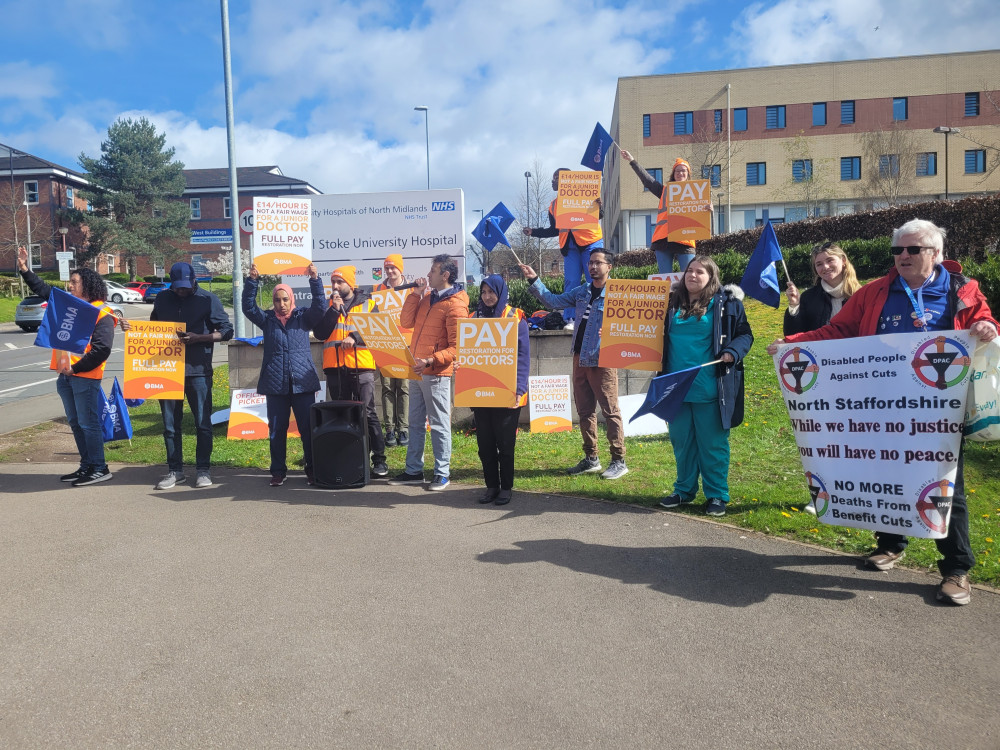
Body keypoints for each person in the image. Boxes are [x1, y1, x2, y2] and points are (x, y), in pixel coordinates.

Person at [768, 219, 998, 606]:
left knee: (946, 485)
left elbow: (982, 318)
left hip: (939, 409)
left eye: (913, 250)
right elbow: (839, 331)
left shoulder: (960, 288)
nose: (903, 256)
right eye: (898, 250)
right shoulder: (876, 291)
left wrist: (987, 326)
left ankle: (956, 569)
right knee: (885, 468)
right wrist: (792, 343)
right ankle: (892, 544)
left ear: (936, 254)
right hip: (883, 402)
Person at [517, 249, 628, 480]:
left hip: (603, 359)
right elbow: (553, 301)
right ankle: (591, 458)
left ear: (610, 267)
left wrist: (613, 333)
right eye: (591, 263)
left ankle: (619, 460)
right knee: (584, 411)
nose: (593, 266)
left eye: (599, 263)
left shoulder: (619, 294)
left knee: (610, 411)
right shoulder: (582, 291)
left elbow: (632, 326)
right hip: (579, 357)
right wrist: (534, 279)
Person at [657, 256, 754, 517]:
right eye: (690, 270)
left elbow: (745, 334)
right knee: (682, 443)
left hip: (710, 388)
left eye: (700, 272)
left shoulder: (727, 304)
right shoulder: (668, 302)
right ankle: (684, 490)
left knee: (712, 445)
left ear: (712, 277)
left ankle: (716, 495)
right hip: (674, 388)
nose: (693, 275)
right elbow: (645, 332)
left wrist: (733, 351)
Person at [16, 247, 117, 486]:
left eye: (74, 282)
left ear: (87, 285)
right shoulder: (69, 305)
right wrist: (24, 269)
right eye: (69, 281)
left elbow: (102, 350)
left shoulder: (102, 312)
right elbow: (43, 290)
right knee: (76, 423)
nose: (69, 285)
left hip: (84, 376)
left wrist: (77, 368)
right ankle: (87, 466)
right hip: (66, 376)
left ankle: (100, 468)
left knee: (88, 423)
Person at [783, 241, 861, 513]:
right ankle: (821, 494)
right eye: (819, 264)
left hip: (858, 379)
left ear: (843, 261)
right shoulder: (810, 297)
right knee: (822, 440)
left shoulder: (863, 295)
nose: (825, 267)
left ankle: (858, 492)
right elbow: (796, 335)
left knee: (855, 440)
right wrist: (794, 307)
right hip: (819, 380)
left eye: (830, 261)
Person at [388, 253, 469, 490]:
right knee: (414, 423)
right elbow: (405, 321)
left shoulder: (455, 305)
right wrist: (415, 294)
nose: (427, 275)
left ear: (445, 275)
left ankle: (442, 472)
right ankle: (414, 470)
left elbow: (458, 347)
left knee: (439, 423)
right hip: (417, 370)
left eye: (432, 271)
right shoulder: (426, 299)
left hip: (436, 373)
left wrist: (431, 360)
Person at [150, 262, 234, 490]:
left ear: (194, 280)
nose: (181, 291)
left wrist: (200, 338)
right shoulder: (162, 299)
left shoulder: (208, 300)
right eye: (177, 287)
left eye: (186, 287)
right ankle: (175, 471)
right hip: (167, 369)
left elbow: (227, 330)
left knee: (203, 423)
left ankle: (203, 470)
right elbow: (153, 328)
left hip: (198, 370)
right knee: (169, 425)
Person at [242, 263, 325, 486]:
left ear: (291, 299)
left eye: (285, 299)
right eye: (277, 300)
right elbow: (248, 308)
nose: (281, 304)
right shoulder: (267, 320)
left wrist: (315, 280)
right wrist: (252, 281)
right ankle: (278, 471)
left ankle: (312, 468)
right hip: (276, 385)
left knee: (307, 430)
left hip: (302, 385)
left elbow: (320, 308)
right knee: (276, 430)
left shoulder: (303, 317)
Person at [312, 265, 388, 478]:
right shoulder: (327, 305)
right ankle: (351, 458)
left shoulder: (369, 304)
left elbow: (378, 330)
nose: (335, 286)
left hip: (362, 365)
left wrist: (355, 337)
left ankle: (379, 460)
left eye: (340, 282)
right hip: (335, 368)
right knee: (341, 416)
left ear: (350, 284)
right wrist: (334, 311)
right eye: (333, 282)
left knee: (368, 412)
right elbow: (320, 333)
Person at [469, 275, 530, 506]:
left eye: (491, 292)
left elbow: (523, 357)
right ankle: (491, 487)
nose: (487, 297)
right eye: (483, 292)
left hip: (508, 392)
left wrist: (519, 389)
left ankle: (506, 488)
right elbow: (468, 355)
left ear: (501, 292)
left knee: (505, 445)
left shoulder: (516, 317)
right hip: (482, 392)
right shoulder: (473, 318)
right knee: (484, 446)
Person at [522, 168, 604, 330]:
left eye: (557, 178)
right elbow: (554, 229)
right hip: (570, 247)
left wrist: (598, 206)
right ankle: (572, 319)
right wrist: (534, 232)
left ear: (568, 180)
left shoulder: (585, 196)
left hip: (590, 243)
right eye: (553, 178)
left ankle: (598, 316)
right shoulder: (553, 206)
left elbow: (598, 215)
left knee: (594, 280)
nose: (553, 181)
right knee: (571, 283)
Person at [620, 151, 711, 274]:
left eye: (683, 170)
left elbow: (702, 220)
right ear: (673, 174)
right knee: (665, 280)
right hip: (663, 240)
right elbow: (648, 180)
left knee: (689, 277)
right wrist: (632, 161)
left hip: (685, 241)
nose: (680, 173)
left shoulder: (697, 193)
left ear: (688, 174)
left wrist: (708, 209)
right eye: (677, 171)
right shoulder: (664, 191)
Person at [373, 253, 409, 448]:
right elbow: (374, 316)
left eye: (393, 267)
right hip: (385, 346)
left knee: (403, 388)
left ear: (400, 269)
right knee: (387, 387)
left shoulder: (411, 289)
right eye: (387, 268)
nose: (389, 271)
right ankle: (389, 430)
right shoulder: (378, 289)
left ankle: (403, 429)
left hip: (405, 346)